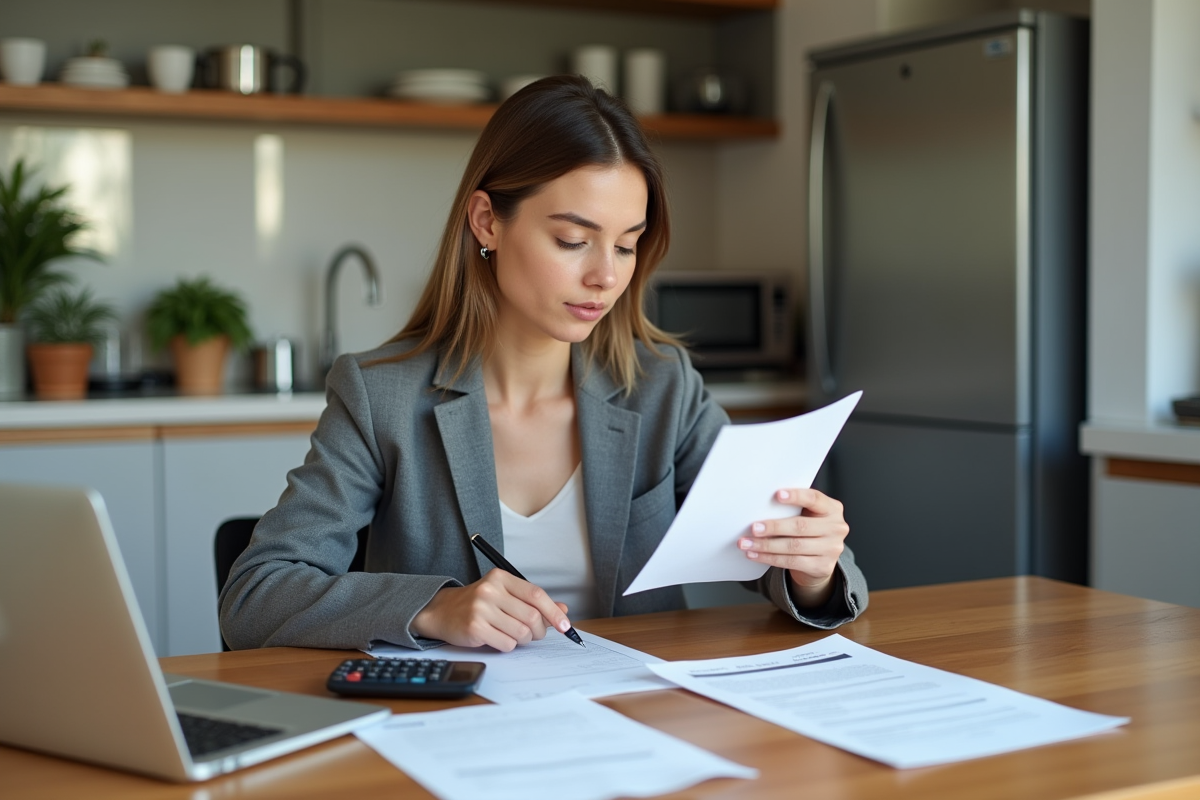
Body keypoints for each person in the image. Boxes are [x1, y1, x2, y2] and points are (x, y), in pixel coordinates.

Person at [220, 75, 867, 653]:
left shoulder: (661, 387)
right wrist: (434, 609)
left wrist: (811, 570)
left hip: (639, 729)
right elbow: (255, 595)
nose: (604, 276)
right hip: (457, 735)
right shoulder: (380, 396)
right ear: (487, 223)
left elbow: (778, 562)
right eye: (572, 240)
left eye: (626, 245)